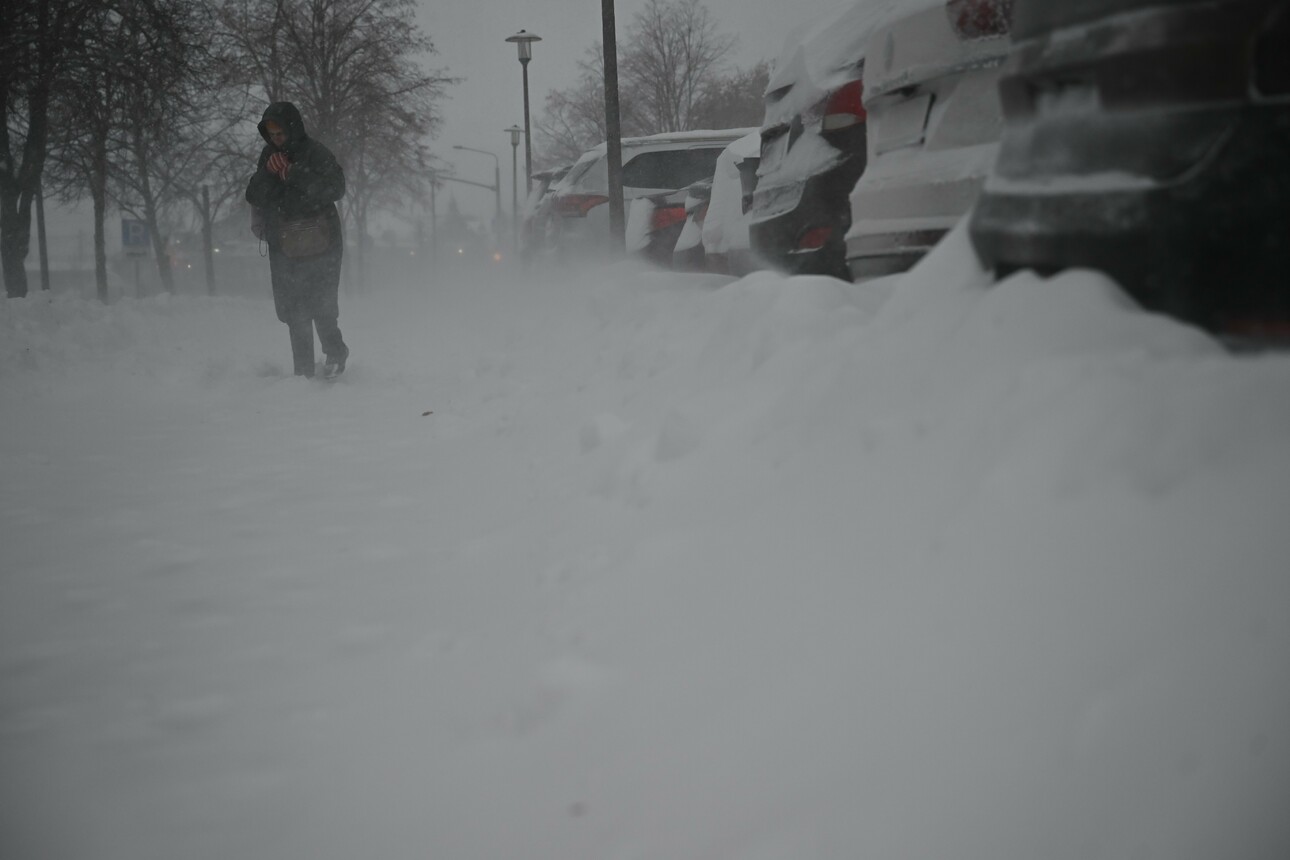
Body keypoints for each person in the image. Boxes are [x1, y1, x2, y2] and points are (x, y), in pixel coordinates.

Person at [246, 102, 349, 378]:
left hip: (321, 242)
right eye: (271, 134)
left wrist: (293, 173)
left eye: (280, 133)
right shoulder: (268, 156)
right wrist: (268, 173)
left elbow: (335, 187)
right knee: (294, 309)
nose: (276, 139)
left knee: (322, 304)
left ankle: (335, 353)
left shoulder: (316, 153)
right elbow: (255, 195)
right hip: (284, 246)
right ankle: (303, 373)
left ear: (293, 128)